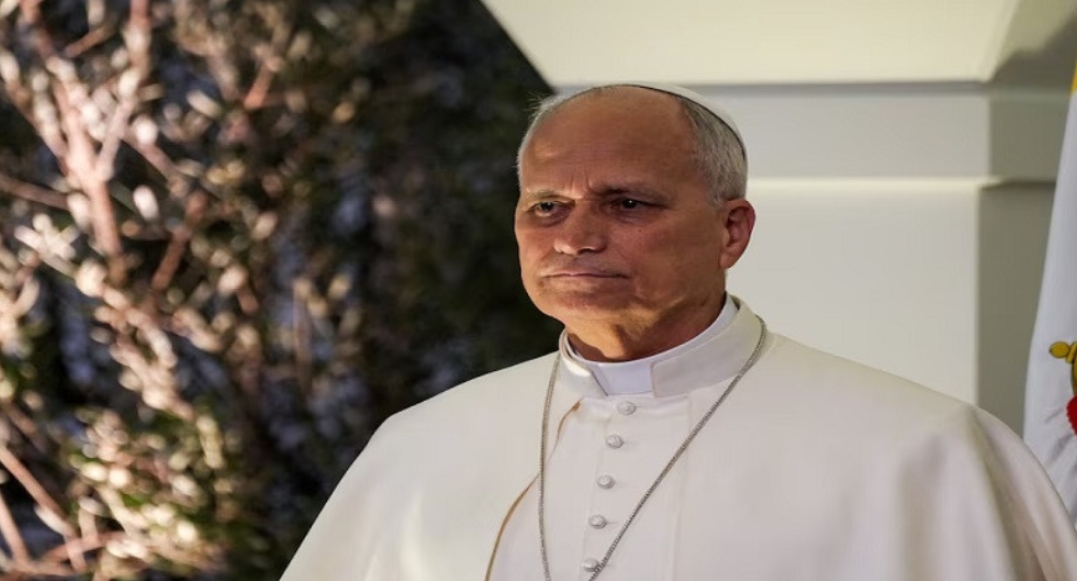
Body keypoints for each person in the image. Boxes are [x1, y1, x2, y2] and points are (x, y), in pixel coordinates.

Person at [280, 84, 1077, 580]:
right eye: (546, 206)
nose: (575, 237)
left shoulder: (918, 450)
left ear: (731, 231)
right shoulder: (421, 446)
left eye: (626, 203)